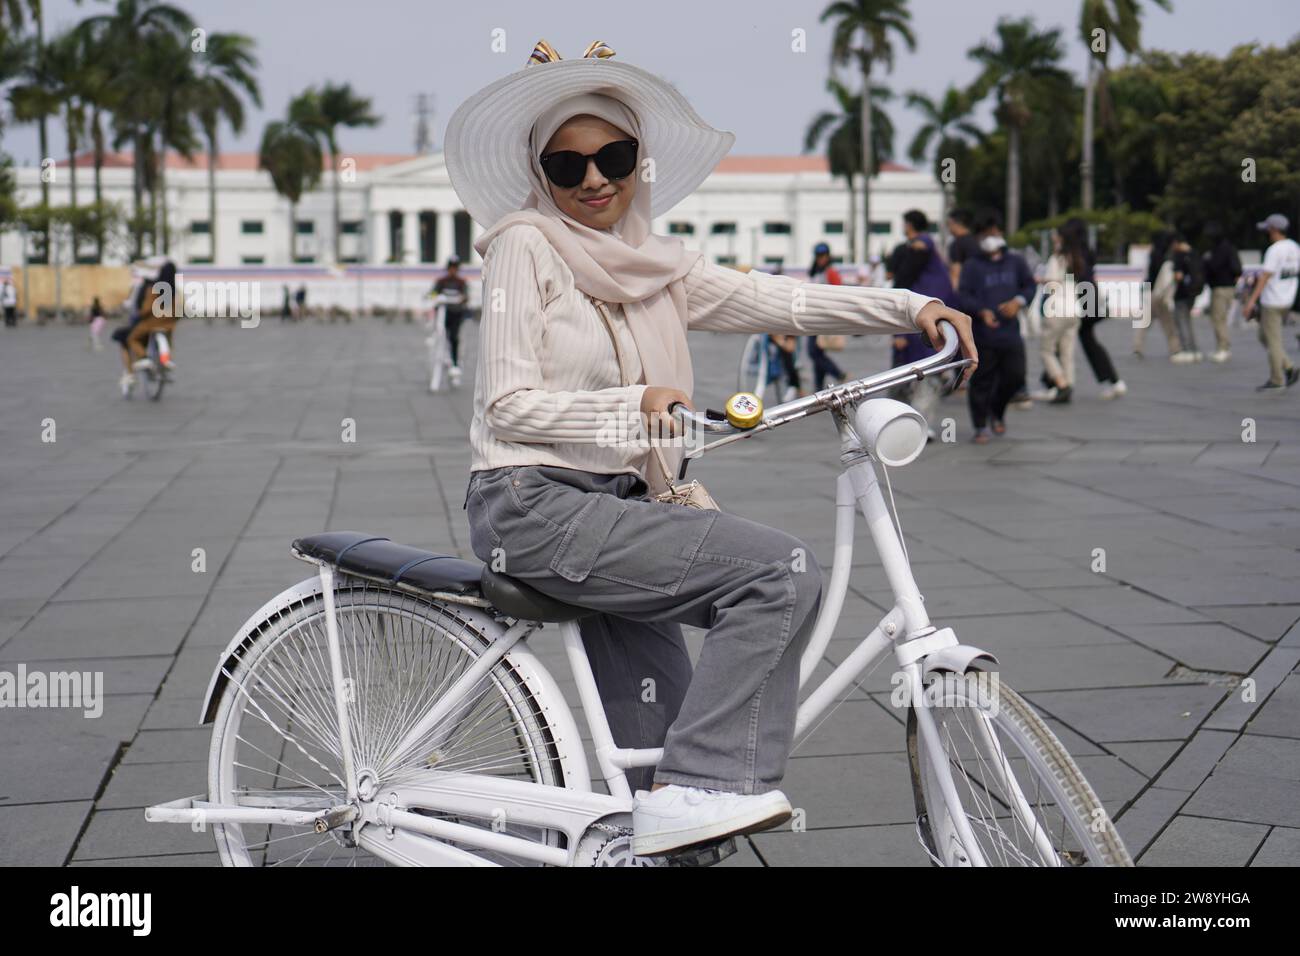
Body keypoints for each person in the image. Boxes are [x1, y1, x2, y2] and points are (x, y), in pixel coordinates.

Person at [445, 39, 976, 857]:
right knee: (778, 574)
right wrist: (635, 406)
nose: (594, 180)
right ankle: (706, 783)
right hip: (533, 504)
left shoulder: (654, 265)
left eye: (614, 156)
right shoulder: (525, 245)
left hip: (617, 507)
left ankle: (684, 801)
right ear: (540, 175)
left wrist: (914, 309)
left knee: (673, 796)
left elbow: (779, 299)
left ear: (639, 162)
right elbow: (507, 405)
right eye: (568, 166)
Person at [957, 209, 1033, 443]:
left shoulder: (1016, 262)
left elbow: (1029, 286)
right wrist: (981, 311)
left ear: (1000, 232)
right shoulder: (972, 265)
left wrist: (1018, 302)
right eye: (984, 234)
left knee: (1015, 376)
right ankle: (980, 426)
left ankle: (997, 412)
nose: (989, 237)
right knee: (981, 381)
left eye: (993, 232)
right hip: (983, 335)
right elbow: (963, 296)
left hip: (1010, 333)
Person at [889, 210, 955, 432]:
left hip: (923, 320)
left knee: (922, 374)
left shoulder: (921, 244)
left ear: (909, 225)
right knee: (920, 374)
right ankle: (915, 422)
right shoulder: (930, 251)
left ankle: (917, 423)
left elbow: (906, 273)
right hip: (923, 320)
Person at [1241, 213, 1299, 392]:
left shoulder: (1275, 250)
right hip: (1286, 299)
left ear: (1274, 229)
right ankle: (1288, 366)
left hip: (1272, 301)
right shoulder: (1294, 247)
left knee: (1273, 341)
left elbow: (1265, 277)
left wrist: (1251, 302)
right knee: (1264, 336)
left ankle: (1277, 379)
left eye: (1268, 229)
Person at [1036, 221, 1090, 404]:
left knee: (1047, 350)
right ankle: (1069, 384)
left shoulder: (1056, 258)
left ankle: (1061, 384)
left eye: (1055, 234)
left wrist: (1040, 280)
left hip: (1056, 309)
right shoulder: (1076, 258)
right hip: (1074, 310)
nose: (1053, 237)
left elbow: (1052, 284)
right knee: (1067, 351)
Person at [1071, 223, 1127, 399]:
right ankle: (1113, 380)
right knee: (1086, 340)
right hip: (1093, 299)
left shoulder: (1075, 252)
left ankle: (1054, 381)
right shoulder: (1087, 249)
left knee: (1077, 339)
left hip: (1085, 300)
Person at [803, 242, 845, 390]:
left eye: (823, 255)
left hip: (824, 317)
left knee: (813, 352)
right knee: (817, 353)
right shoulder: (814, 272)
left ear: (828, 256)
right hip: (814, 316)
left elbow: (838, 294)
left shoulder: (831, 272)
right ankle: (818, 387)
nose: (821, 258)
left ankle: (838, 373)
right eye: (818, 256)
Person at [1202, 222, 1241, 362]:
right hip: (1229, 287)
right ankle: (1221, 347)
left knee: (1218, 319)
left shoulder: (1218, 250)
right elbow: (1238, 269)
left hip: (1220, 287)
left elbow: (1213, 266)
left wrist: (1207, 263)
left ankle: (1223, 348)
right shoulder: (1231, 248)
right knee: (1221, 318)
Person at [434, 255, 470, 386]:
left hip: (456, 314)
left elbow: (466, 296)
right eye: (451, 268)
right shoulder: (441, 282)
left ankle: (455, 363)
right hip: (444, 314)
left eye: (455, 268)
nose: (453, 271)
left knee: (454, 337)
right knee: (442, 336)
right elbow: (433, 294)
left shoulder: (461, 283)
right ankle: (444, 358)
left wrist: (462, 299)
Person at [1169, 232, 1205, 363]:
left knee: (1181, 322)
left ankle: (1187, 350)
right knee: (1188, 321)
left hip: (1181, 293)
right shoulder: (1195, 253)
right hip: (1193, 292)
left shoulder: (1179, 255)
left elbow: (1178, 276)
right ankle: (1194, 350)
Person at [946, 207, 979, 292]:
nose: (948, 227)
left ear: (958, 223)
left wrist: (953, 294)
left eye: (949, 224)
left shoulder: (957, 244)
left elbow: (956, 272)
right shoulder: (977, 240)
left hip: (966, 288)